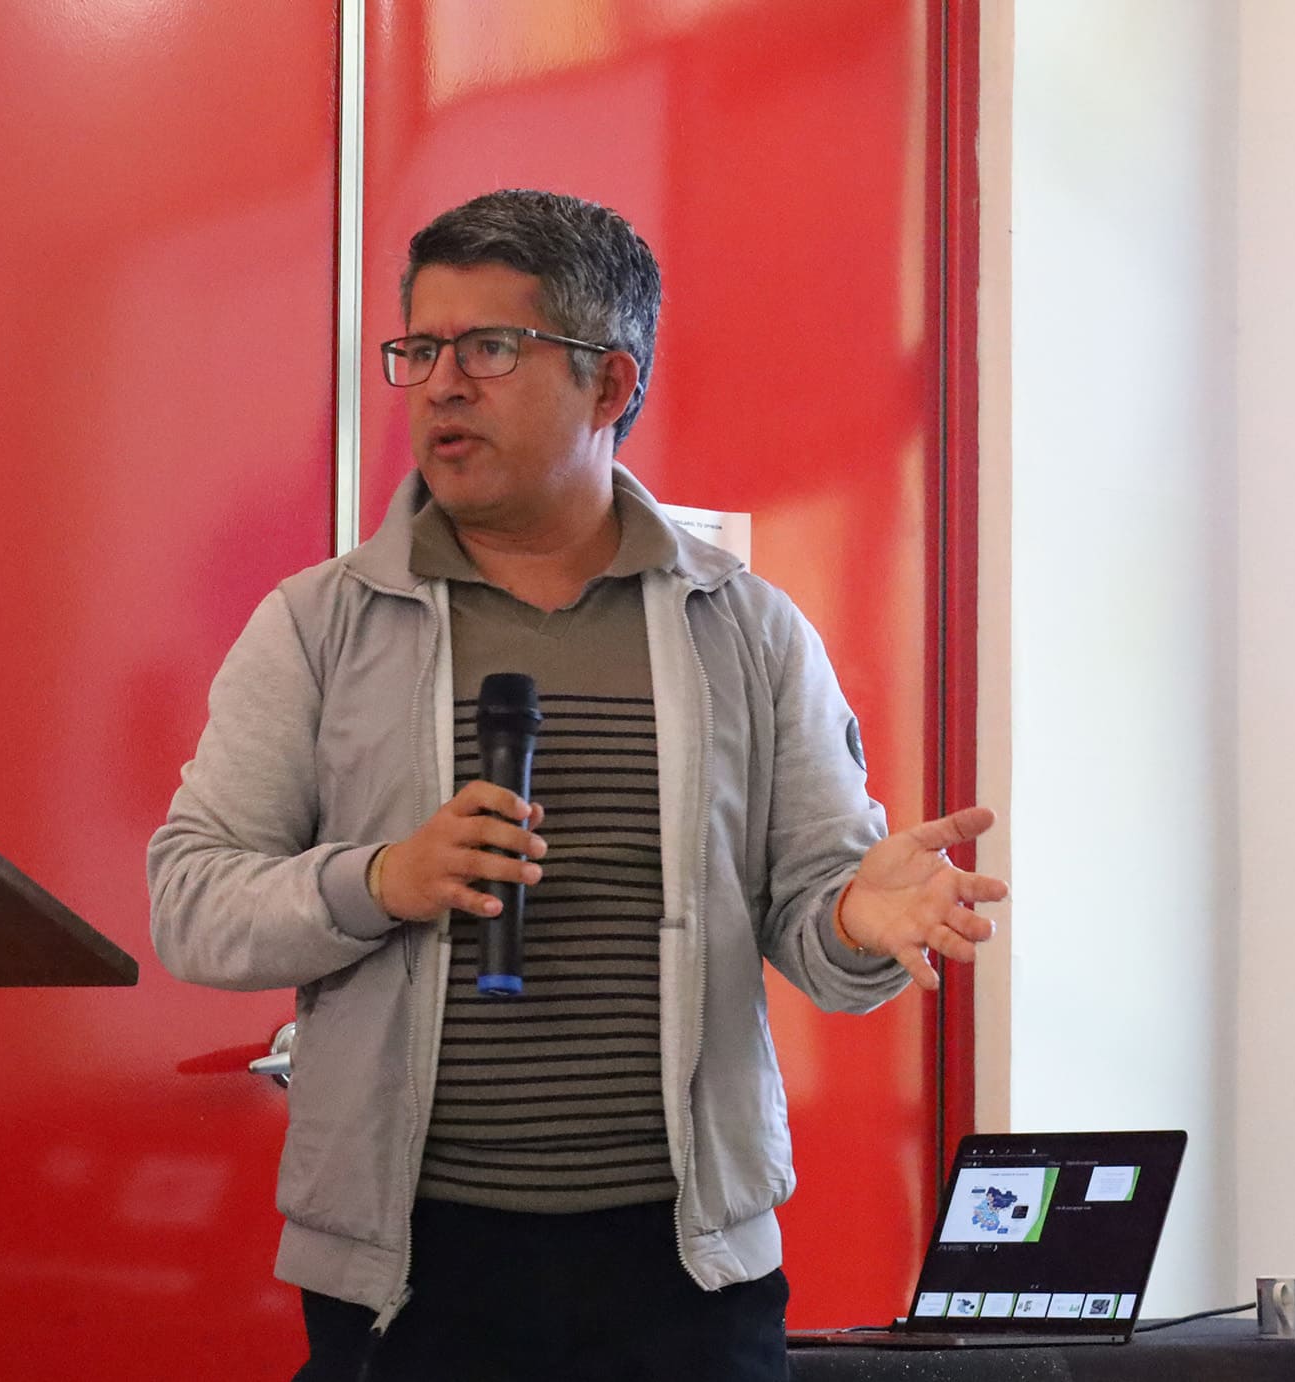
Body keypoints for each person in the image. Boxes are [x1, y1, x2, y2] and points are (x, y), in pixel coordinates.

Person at [147, 188, 1007, 1382]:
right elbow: (191, 898)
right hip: (409, 1274)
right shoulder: (319, 625)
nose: (441, 385)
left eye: (490, 347)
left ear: (610, 382)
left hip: (683, 1274)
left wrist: (859, 916)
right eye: (420, 349)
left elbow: (821, 928)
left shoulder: (746, 628)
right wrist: (383, 878)